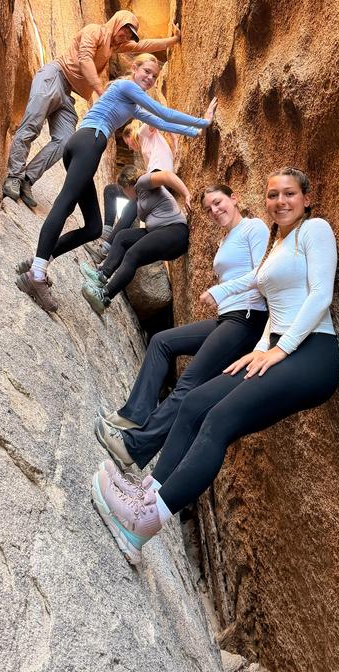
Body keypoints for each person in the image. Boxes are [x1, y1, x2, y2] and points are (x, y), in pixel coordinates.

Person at [91, 167, 339, 564]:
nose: (280, 202)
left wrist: (280, 349)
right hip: (276, 347)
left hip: (312, 353)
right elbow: (268, 301)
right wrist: (259, 346)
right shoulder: (279, 244)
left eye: (289, 194)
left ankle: (146, 521)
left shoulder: (315, 231)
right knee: (195, 402)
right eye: (273, 195)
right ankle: (148, 492)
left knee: (220, 418)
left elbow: (319, 297)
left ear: (306, 198)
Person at [15, 54, 217, 312]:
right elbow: (162, 111)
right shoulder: (126, 86)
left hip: (86, 144)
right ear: (134, 68)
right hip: (90, 140)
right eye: (146, 71)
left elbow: (162, 122)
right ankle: (37, 275)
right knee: (65, 203)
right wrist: (204, 120)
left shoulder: (131, 104)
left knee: (93, 227)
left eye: (155, 76)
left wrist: (197, 131)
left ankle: (38, 261)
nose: (150, 78)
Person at [93, 184, 269, 471]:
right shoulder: (225, 241)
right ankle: (134, 414)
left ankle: (131, 447)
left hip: (248, 319)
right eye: (209, 208)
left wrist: (221, 292)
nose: (215, 210)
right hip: (228, 319)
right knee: (162, 342)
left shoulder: (254, 228)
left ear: (234, 199)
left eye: (218, 202)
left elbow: (264, 273)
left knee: (189, 384)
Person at [3, 10, 181, 208]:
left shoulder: (115, 46)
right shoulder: (95, 31)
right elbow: (85, 59)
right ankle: (14, 177)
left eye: (130, 35)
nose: (126, 37)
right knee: (32, 124)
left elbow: (144, 45)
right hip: (54, 77)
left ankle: (27, 179)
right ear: (117, 22)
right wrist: (99, 89)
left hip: (68, 95)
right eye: (125, 31)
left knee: (64, 142)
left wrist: (173, 40)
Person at [79, 165, 191, 315]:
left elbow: (167, 176)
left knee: (132, 254)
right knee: (122, 237)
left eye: (123, 190)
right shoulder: (138, 196)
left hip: (174, 232)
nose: (124, 194)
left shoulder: (142, 181)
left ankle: (104, 296)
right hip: (158, 232)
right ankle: (102, 276)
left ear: (128, 186)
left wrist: (186, 195)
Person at [98, 120, 179, 257]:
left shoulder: (143, 132)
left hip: (158, 180)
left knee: (125, 199)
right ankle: (107, 234)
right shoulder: (148, 145)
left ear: (132, 133)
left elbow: (158, 117)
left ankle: (106, 245)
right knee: (117, 194)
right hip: (157, 182)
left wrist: (174, 139)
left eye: (127, 142)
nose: (129, 147)